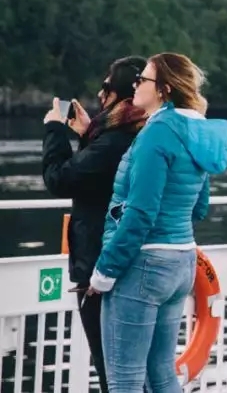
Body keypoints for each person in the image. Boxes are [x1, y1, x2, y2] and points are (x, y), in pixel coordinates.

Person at [87, 53, 227, 393]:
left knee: (125, 380)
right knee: (161, 376)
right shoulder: (197, 133)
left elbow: (141, 213)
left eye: (143, 79)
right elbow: (199, 207)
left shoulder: (158, 132)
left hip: (144, 265)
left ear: (164, 90)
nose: (135, 85)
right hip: (181, 261)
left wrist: (104, 272)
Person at [42, 56, 149, 393]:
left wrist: (55, 131)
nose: (100, 96)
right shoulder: (139, 136)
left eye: (105, 87)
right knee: (140, 370)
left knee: (111, 372)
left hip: (102, 267)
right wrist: (88, 134)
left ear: (116, 95)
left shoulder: (113, 142)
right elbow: (97, 180)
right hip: (138, 263)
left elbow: (60, 179)